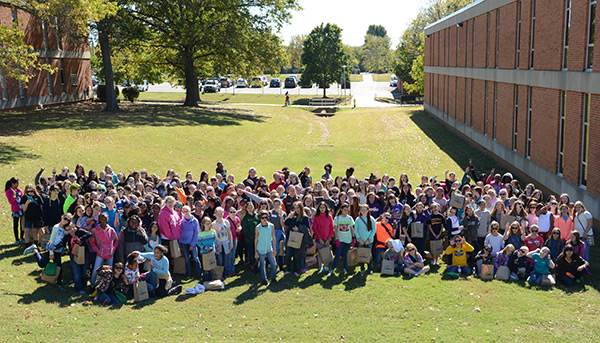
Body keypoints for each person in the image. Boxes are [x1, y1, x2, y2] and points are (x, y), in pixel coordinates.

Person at [23, 213, 73, 289]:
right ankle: (34, 250)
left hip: (58, 251)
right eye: (65, 218)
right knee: (42, 264)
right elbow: (51, 240)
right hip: (51, 249)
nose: (65, 221)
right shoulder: (56, 227)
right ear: (62, 217)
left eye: (68, 220)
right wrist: (51, 252)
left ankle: (59, 284)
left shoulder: (65, 229)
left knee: (59, 267)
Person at [90, 213, 119, 287]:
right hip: (100, 254)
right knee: (96, 269)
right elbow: (92, 242)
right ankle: (93, 284)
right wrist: (97, 250)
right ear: (99, 220)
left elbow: (116, 240)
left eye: (105, 219)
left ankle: (109, 285)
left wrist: (113, 248)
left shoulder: (111, 230)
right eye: (102, 219)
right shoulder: (96, 230)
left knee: (110, 269)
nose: (104, 221)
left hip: (110, 253)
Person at [284, 201, 310, 276]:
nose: (297, 210)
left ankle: (295, 270)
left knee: (296, 255)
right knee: (288, 254)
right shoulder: (292, 216)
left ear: (301, 208)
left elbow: (307, 228)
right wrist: (289, 217)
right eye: (295, 208)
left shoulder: (304, 217)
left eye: (298, 208)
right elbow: (286, 223)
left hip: (298, 238)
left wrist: (298, 228)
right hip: (289, 237)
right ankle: (289, 270)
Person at [329, 203, 355, 276]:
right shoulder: (337, 218)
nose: (346, 211)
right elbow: (336, 229)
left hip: (348, 239)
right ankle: (332, 269)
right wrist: (336, 238)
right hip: (340, 239)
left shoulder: (349, 218)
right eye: (344, 210)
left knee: (345, 255)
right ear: (341, 210)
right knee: (337, 255)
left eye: (347, 210)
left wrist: (353, 238)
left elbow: (351, 228)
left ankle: (344, 268)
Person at [255, 210, 278, 285]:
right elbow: (256, 239)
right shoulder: (258, 227)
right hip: (261, 248)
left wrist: (274, 249)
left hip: (269, 248)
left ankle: (273, 277)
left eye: (266, 217)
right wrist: (255, 252)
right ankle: (264, 279)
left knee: (274, 264)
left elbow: (274, 238)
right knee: (262, 264)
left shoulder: (271, 226)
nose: (265, 219)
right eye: (263, 218)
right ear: (260, 218)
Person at [179, 206, 202, 279]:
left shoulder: (195, 221)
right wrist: (180, 244)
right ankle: (189, 274)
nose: (185, 213)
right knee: (187, 259)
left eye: (186, 211)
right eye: (183, 211)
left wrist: (193, 244)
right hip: (184, 243)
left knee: (195, 258)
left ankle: (199, 274)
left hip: (192, 243)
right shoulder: (182, 222)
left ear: (190, 211)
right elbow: (180, 233)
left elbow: (196, 234)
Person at [354, 205, 376, 274]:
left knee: (369, 255)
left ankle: (369, 268)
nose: (363, 211)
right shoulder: (358, 219)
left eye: (365, 210)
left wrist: (369, 239)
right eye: (362, 210)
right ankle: (362, 268)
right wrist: (359, 238)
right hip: (360, 240)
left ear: (368, 211)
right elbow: (356, 230)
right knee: (361, 254)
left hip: (369, 241)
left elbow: (374, 230)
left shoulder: (372, 219)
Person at [212, 207, 234, 278]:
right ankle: (220, 273)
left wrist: (231, 243)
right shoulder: (213, 224)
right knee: (220, 260)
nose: (220, 215)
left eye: (221, 213)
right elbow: (213, 236)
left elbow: (229, 232)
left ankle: (226, 273)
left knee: (226, 259)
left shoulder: (226, 222)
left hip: (226, 242)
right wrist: (215, 245)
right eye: (218, 214)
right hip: (218, 243)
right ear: (215, 214)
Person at [313, 201, 334, 272]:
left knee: (326, 251)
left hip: (327, 238)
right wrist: (319, 238)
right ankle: (320, 265)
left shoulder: (329, 216)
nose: (322, 209)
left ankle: (326, 265)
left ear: (326, 208)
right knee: (320, 252)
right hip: (320, 238)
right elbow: (315, 229)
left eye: (323, 208)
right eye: (321, 208)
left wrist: (329, 238)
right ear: (318, 208)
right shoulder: (316, 217)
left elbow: (332, 227)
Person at [20, 183, 43, 247]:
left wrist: (42, 216)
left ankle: (36, 245)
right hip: (28, 217)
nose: (30, 193)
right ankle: (27, 245)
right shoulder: (24, 198)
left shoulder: (38, 197)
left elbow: (41, 207)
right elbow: (24, 209)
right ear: (26, 191)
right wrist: (27, 202)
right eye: (28, 191)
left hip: (37, 216)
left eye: (31, 191)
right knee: (27, 230)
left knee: (35, 230)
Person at [241, 202, 260, 271]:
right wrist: (251, 236)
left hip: (258, 238)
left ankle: (258, 265)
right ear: (246, 209)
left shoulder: (257, 216)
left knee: (258, 252)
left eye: (251, 207)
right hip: (250, 239)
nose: (250, 209)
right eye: (248, 208)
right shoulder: (245, 218)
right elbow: (245, 230)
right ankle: (252, 265)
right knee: (252, 252)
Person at [5, 177, 24, 245]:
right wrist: (13, 195)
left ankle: (22, 238)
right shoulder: (8, 192)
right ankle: (17, 239)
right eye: (16, 183)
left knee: (22, 224)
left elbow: (22, 198)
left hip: (21, 209)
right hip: (15, 210)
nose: (18, 184)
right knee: (15, 225)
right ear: (12, 184)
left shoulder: (19, 190)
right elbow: (11, 202)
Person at [197, 217, 217, 281]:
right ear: (203, 224)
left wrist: (214, 247)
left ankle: (211, 279)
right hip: (204, 251)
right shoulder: (201, 233)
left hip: (211, 251)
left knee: (211, 265)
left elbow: (215, 240)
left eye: (209, 223)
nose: (208, 225)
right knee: (205, 266)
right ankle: (205, 279)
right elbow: (198, 242)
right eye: (207, 223)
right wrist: (203, 247)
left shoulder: (213, 232)